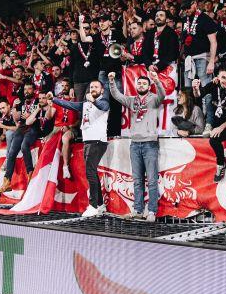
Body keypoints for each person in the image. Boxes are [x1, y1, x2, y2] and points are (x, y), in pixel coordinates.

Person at [108, 68, 166, 222]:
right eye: (139, 83)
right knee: (137, 180)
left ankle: (152, 211)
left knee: (152, 180)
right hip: (134, 144)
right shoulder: (132, 100)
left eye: (144, 83)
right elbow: (116, 95)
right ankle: (138, 210)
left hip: (150, 143)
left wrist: (157, 80)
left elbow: (163, 94)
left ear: (148, 86)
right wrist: (112, 81)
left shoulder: (153, 99)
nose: (141, 85)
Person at [50, 80, 110, 217]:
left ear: (102, 90)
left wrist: (93, 100)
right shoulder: (86, 104)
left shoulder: (103, 101)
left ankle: (93, 206)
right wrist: (53, 99)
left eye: (96, 87)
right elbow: (70, 104)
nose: (93, 88)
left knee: (90, 173)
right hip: (88, 141)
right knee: (92, 173)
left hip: (97, 141)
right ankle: (100, 205)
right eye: (91, 86)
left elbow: (103, 107)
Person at [192, 67, 226, 182]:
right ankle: (209, 125)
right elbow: (199, 95)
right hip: (217, 122)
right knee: (208, 100)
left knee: (213, 139)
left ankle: (220, 164)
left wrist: (221, 128)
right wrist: (195, 88)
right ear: (218, 77)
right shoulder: (214, 85)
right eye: (223, 77)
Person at [45, 78, 79, 179]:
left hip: (71, 128)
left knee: (65, 138)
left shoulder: (75, 100)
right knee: (46, 140)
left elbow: (79, 120)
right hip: (57, 127)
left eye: (66, 86)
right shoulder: (57, 100)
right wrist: (50, 106)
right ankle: (46, 168)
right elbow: (48, 117)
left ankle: (65, 167)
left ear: (70, 87)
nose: (64, 88)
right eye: (62, 86)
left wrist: (70, 126)